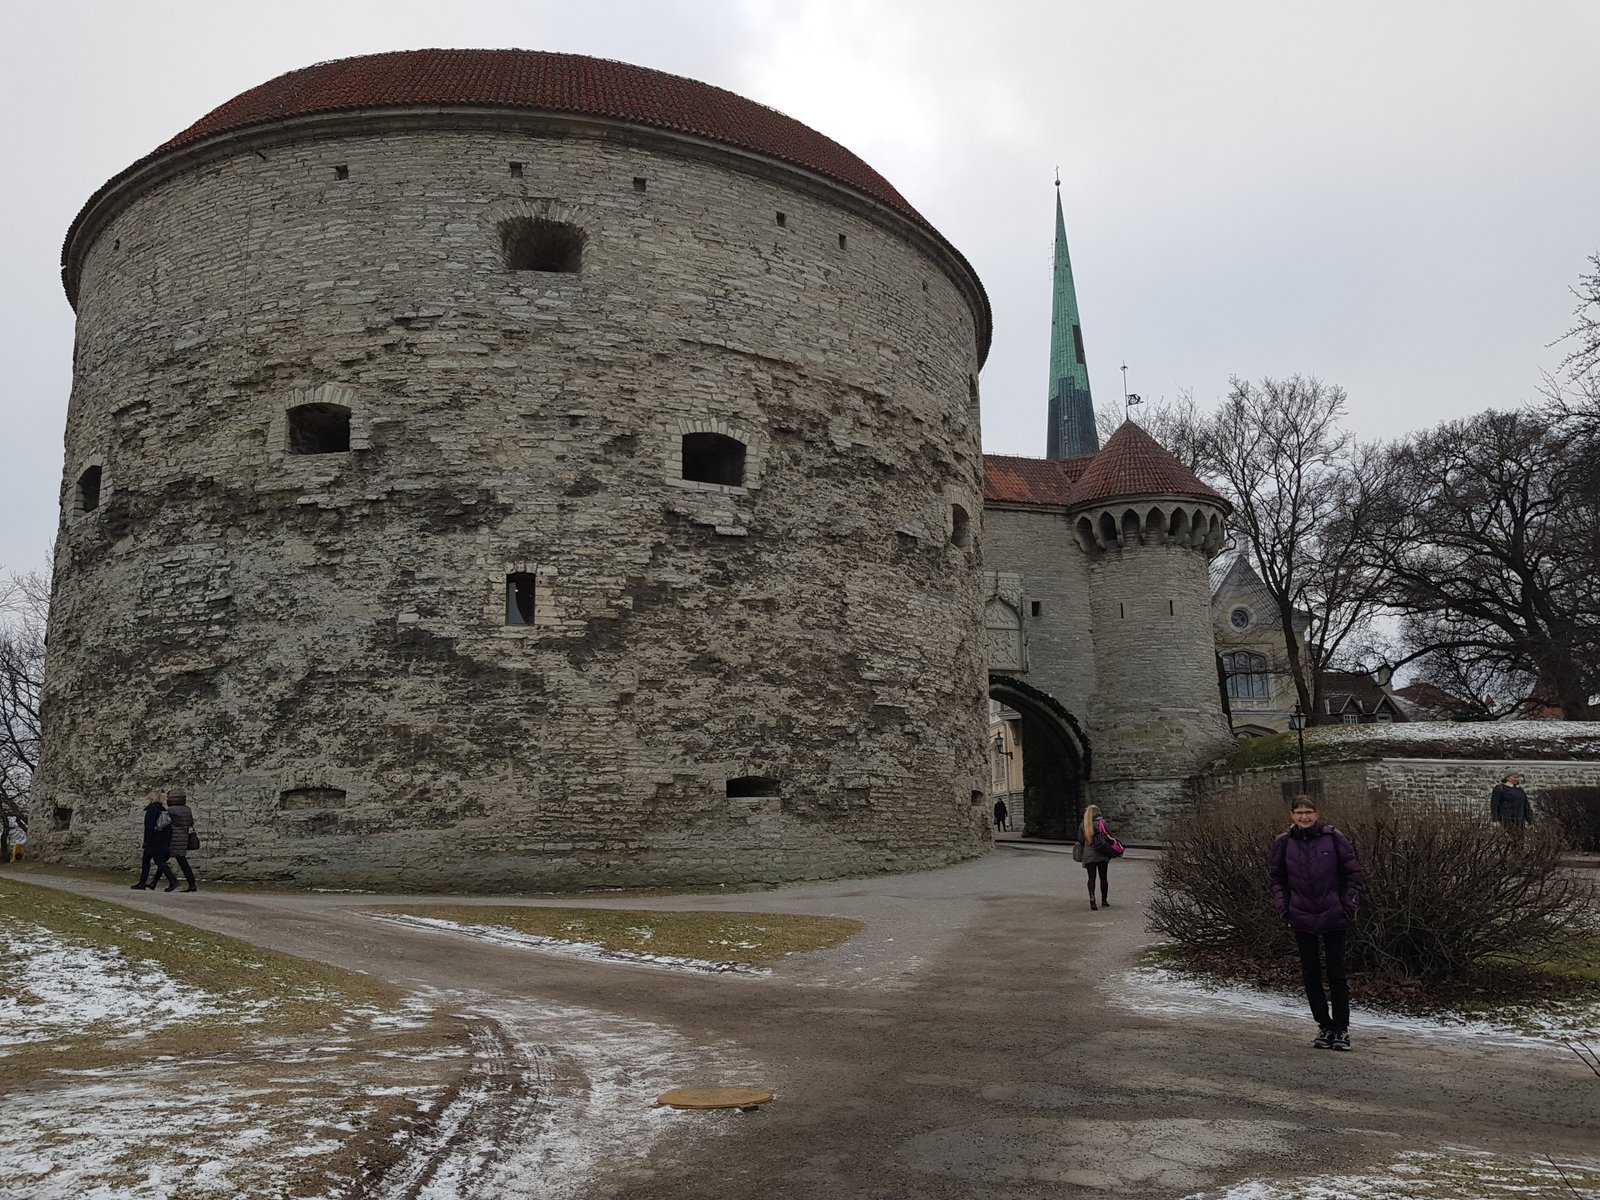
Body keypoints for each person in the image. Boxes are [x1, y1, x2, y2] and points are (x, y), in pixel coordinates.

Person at [1269, 796, 1366, 1051]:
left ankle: (1341, 1029)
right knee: (1311, 974)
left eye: (1309, 812)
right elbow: (1277, 878)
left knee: (1336, 974)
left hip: (1334, 915)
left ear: (1317, 813)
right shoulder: (1283, 843)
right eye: (1299, 812)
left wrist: (1348, 906)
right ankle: (1324, 1025)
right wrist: (1284, 907)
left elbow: (1352, 875)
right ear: (1291, 814)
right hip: (1301, 916)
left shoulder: (1333, 839)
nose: (1304, 817)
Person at [1074, 804, 1118, 910]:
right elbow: (1109, 836)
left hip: (1088, 855)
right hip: (1102, 853)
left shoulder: (1083, 824)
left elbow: (1080, 839)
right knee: (1103, 878)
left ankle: (1092, 899)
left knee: (1091, 878)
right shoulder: (1102, 823)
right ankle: (1104, 900)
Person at [132, 792, 177, 891]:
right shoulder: (162, 810)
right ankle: (146, 882)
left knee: (153, 861)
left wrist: (146, 841)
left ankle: (172, 880)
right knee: (156, 860)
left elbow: (149, 827)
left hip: (153, 840)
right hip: (162, 840)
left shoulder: (151, 810)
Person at [164, 791, 198, 893]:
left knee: (162, 859)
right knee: (181, 860)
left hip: (173, 837)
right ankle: (191, 883)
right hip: (183, 837)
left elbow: (166, 823)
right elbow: (190, 822)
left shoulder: (171, 810)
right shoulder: (187, 809)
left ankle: (171, 881)